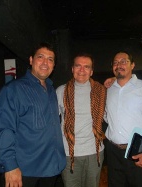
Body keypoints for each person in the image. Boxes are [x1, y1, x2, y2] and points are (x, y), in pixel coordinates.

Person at [0, 42, 66, 187]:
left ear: (54, 65)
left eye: (50, 59)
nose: (45, 62)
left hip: (52, 168)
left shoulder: (51, 90)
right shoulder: (13, 90)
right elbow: (2, 130)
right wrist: (10, 166)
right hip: (26, 171)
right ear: (31, 60)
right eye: (41, 57)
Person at [56, 53, 106, 187]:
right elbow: (51, 120)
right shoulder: (61, 91)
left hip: (94, 152)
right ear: (72, 69)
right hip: (68, 153)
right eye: (78, 66)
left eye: (86, 67)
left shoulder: (102, 91)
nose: (82, 70)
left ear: (91, 71)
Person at [104, 51, 142, 187]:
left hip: (137, 151)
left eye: (123, 61)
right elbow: (107, 117)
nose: (119, 65)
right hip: (113, 153)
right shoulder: (108, 89)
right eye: (115, 62)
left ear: (132, 65)